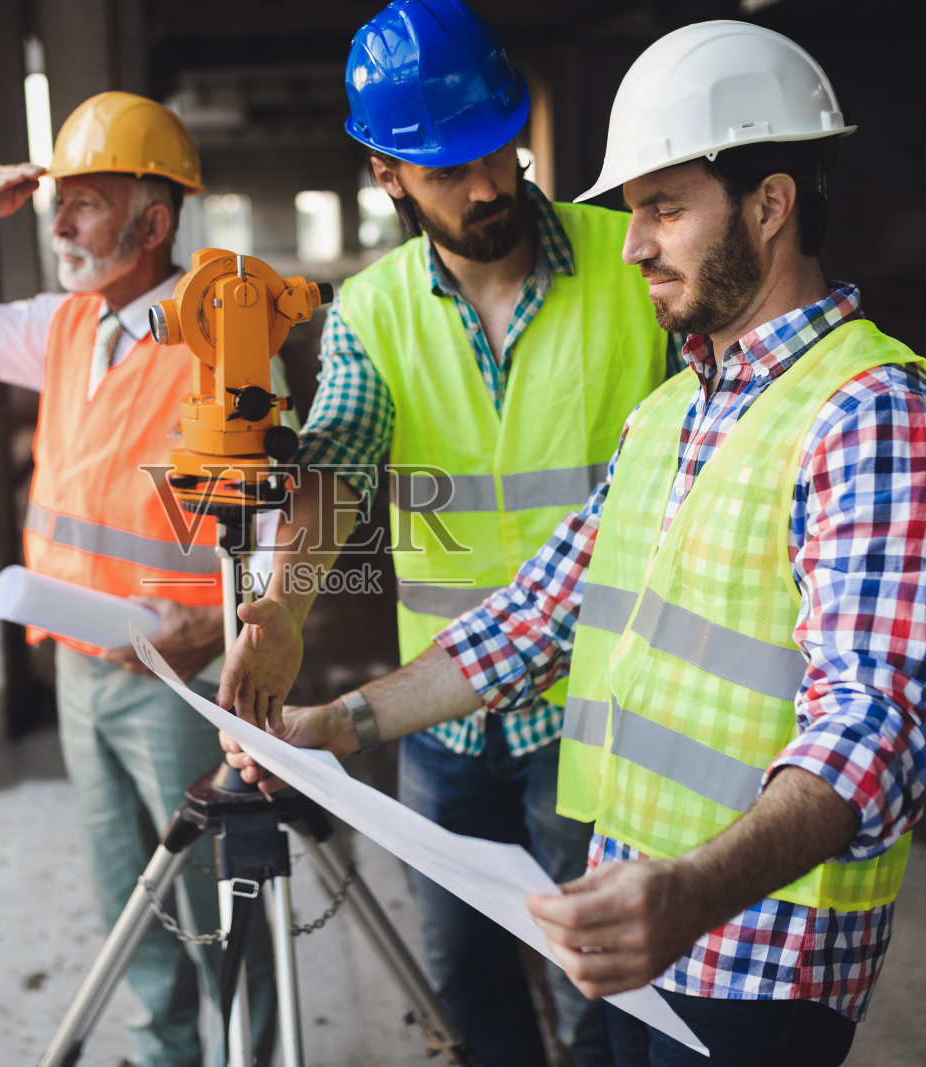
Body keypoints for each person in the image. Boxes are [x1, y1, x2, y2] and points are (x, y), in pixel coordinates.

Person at [222, 19, 926, 1067]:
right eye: (632, 211)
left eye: (663, 208)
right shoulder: (673, 411)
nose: (631, 246)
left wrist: (694, 889)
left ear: (771, 204)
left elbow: (876, 725)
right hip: (643, 903)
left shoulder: (872, 415)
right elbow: (536, 617)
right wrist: (334, 722)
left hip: (753, 949)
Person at [216, 2, 669, 1064]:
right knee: (467, 984)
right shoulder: (372, 310)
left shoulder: (632, 265)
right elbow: (340, 455)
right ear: (387, 175)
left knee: (602, 996)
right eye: (448, 170)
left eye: (498, 151)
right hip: (441, 722)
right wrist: (281, 605)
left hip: (599, 710)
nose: (486, 186)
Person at [0, 91, 276, 1067]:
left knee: (214, 904)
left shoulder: (220, 340)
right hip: (79, 667)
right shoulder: (67, 326)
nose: (60, 223)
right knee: (126, 896)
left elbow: (282, 522)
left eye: (86, 203)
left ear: (153, 225)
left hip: (178, 677)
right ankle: (164, 1052)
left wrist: (224, 633)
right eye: (61, 202)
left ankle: (250, 1054)